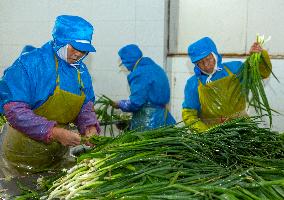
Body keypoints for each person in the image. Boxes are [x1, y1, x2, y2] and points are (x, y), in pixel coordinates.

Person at [0, 15, 101, 173]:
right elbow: (14, 110)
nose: (79, 54)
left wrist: (89, 126)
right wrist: (53, 132)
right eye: (74, 47)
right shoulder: (30, 64)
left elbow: (85, 105)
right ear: (60, 40)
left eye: (84, 50)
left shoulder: (80, 71)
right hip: (22, 155)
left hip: (57, 156)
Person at [182, 37, 272, 132]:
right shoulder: (193, 83)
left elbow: (262, 73)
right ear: (196, 65)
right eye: (200, 63)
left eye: (208, 59)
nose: (206, 65)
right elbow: (189, 114)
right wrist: (205, 133)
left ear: (215, 55)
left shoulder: (236, 68)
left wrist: (259, 57)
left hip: (241, 128)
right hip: (212, 134)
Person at [113, 44, 176, 131]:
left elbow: (136, 103)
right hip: (162, 116)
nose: (125, 67)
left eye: (123, 63)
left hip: (149, 120)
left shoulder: (139, 73)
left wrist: (120, 104)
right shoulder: (156, 68)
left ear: (128, 61)